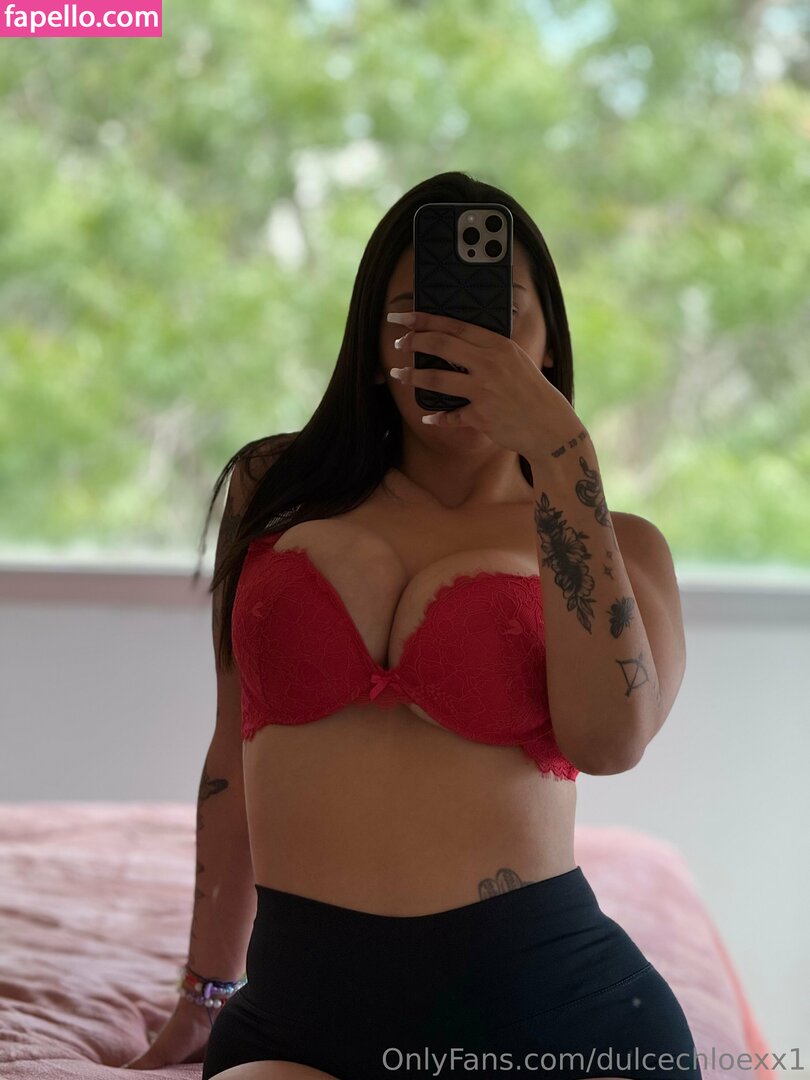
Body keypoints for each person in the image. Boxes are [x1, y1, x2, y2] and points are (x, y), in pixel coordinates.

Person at [124, 172, 700, 1079]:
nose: (457, 343)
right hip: (301, 1022)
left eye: (495, 316)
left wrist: (564, 457)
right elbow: (233, 747)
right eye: (412, 317)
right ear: (371, 348)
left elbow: (609, 740)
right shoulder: (275, 491)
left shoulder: (619, 544)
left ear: (548, 346)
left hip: (557, 1020)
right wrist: (205, 991)